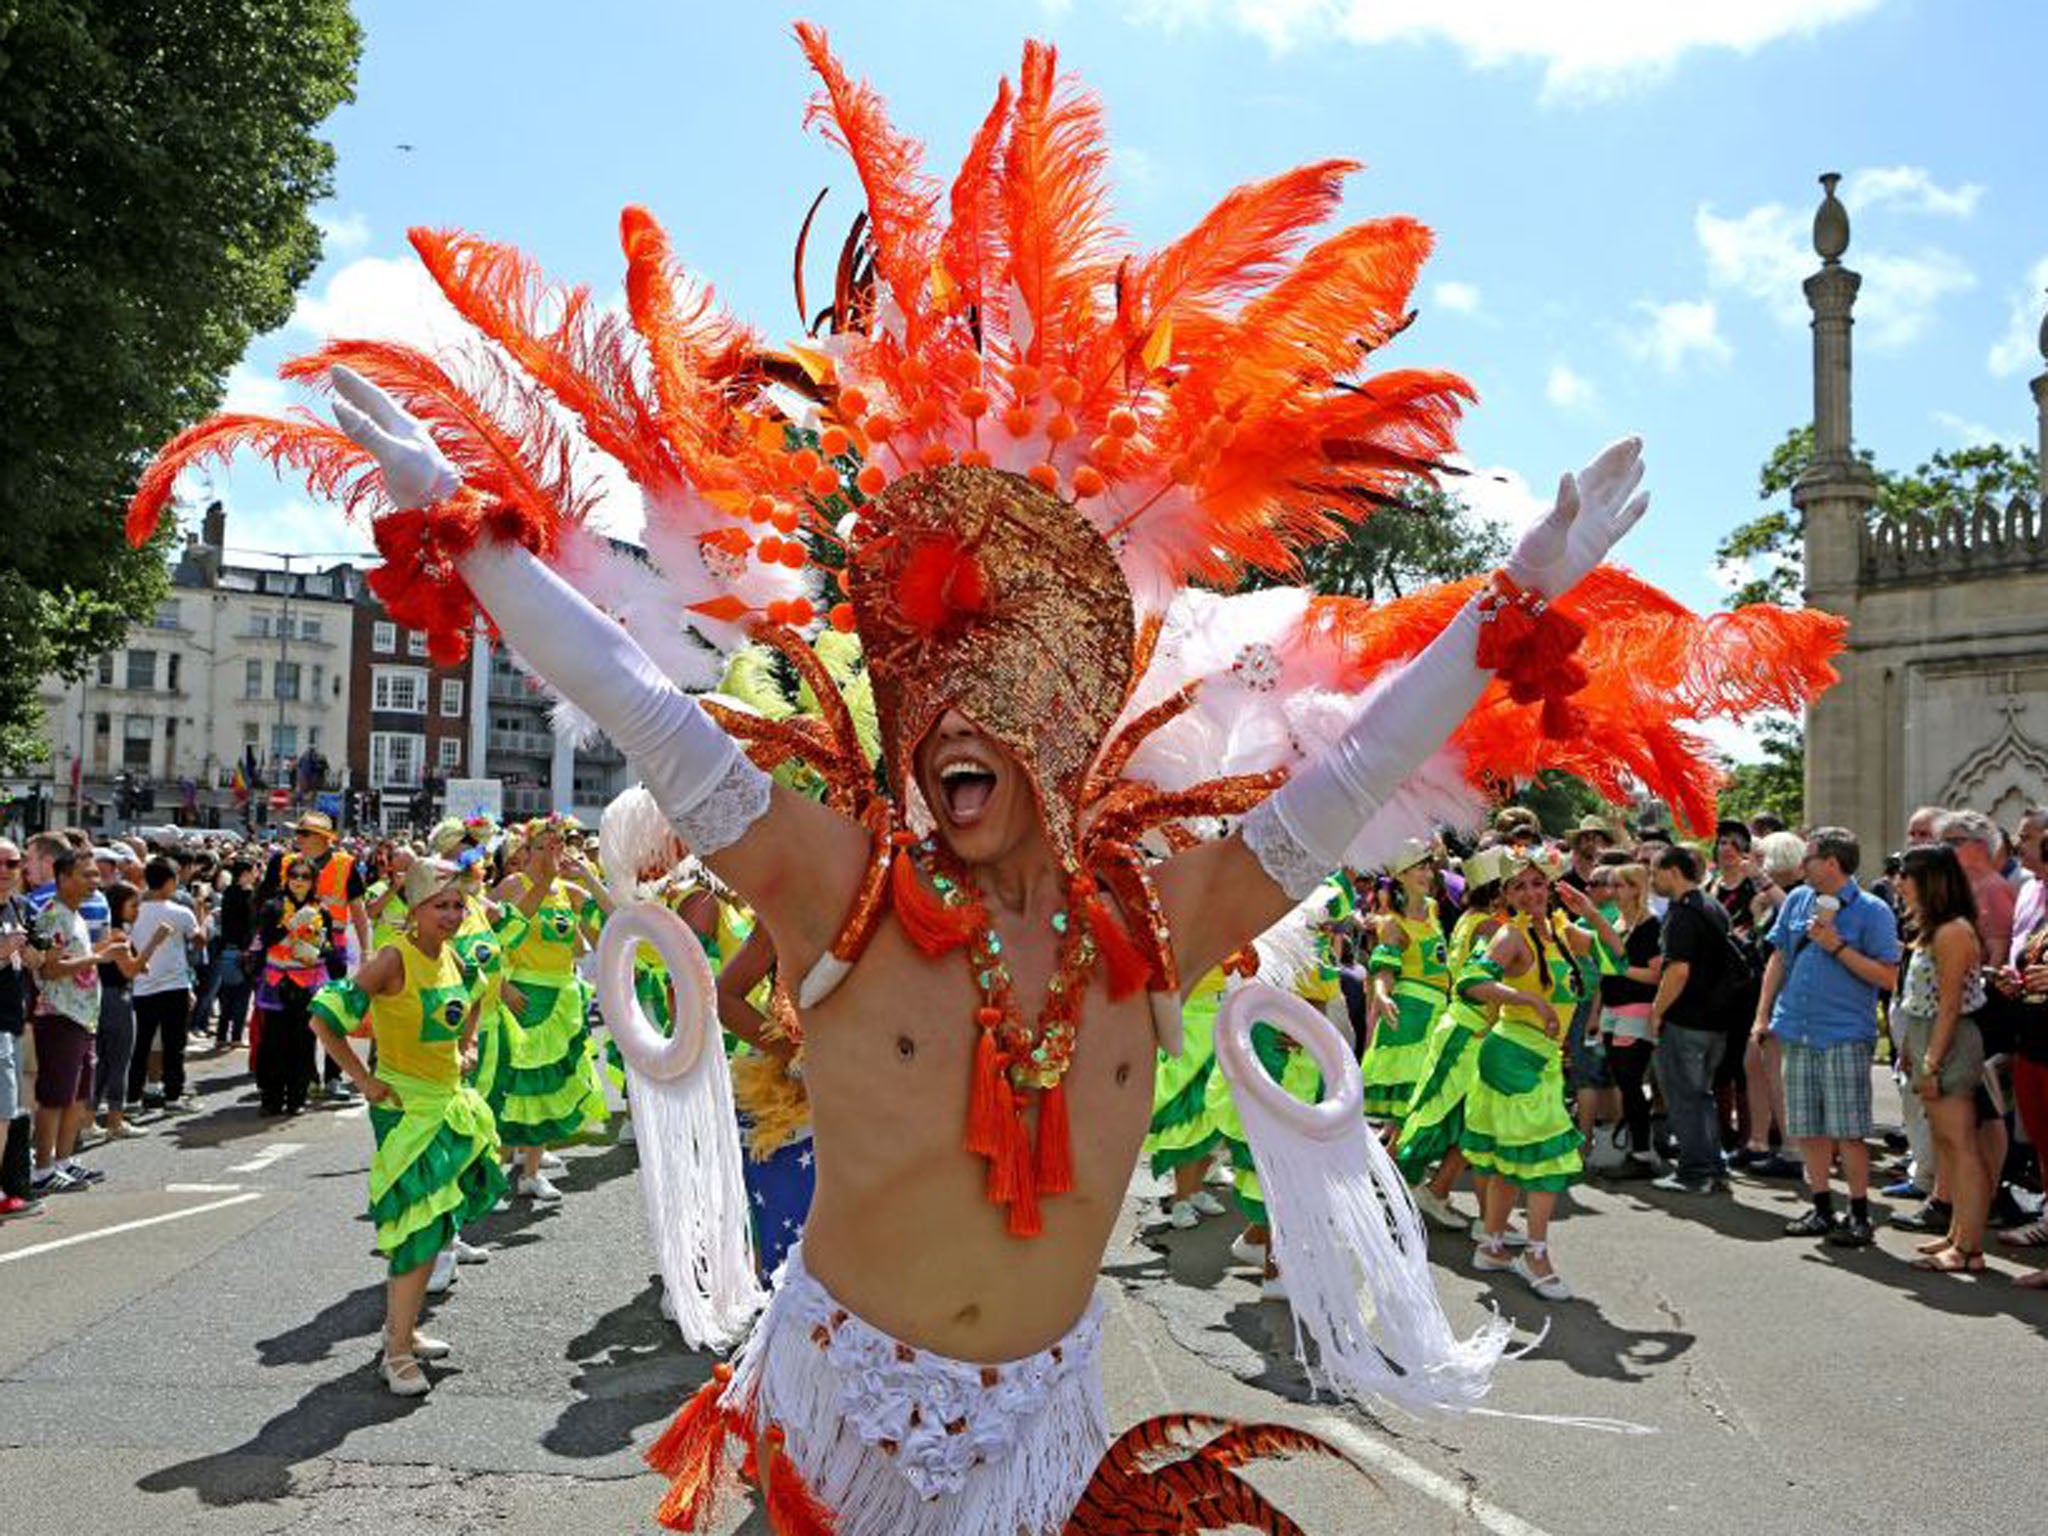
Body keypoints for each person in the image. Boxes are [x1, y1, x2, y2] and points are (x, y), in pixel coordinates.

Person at [125, 31, 1852, 1529]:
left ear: (1064, 735)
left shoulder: (1152, 918)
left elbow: (1334, 796)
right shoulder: (829, 882)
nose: (962, 743)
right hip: (829, 1423)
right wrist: (476, 534)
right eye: (937, 708)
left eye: (1001, 720)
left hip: (1038, 1436)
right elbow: (649, 711)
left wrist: (1500, 619)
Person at [309, 857, 507, 1396]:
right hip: (404, 1110)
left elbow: (475, 1002)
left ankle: (404, 1329)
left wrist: (465, 1047)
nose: (450, 914)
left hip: (447, 1103)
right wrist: (362, 1081)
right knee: (417, 1230)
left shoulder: (454, 961)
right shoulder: (394, 959)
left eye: (457, 906)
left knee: (438, 1225)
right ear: (414, 910)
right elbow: (326, 1016)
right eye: (439, 905)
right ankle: (395, 1354)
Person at [1458, 850, 1620, 1299]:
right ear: (1506, 895)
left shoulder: (1563, 932)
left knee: (1514, 1157)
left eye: (1538, 883)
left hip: (1541, 1058)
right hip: (1513, 1055)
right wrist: (1530, 1000)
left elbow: (1619, 957)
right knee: (1543, 1162)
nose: (1531, 893)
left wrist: (1589, 912)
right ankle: (1535, 1254)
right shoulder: (1511, 935)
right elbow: (1470, 982)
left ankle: (1491, 1246)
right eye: (1520, 886)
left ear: (1550, 887)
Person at [1755, 827, 1901, 1245]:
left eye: (1809, 858)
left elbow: (1888, 976)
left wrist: (1837, 947)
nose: (1802, 866)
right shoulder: (1799, 899)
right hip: (1796, 1027)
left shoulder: (1873, 911)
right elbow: (1779, 959)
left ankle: (1859, 1214)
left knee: (1848, 1131)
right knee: (1808, 1128)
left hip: (1843, 1034)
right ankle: (1821, 1207)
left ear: (1832, 863)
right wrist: (1763, 1015)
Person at [1892, 844, 1990, 1272]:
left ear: (1930, 881)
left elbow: (1949, 1005)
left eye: (1906, 875)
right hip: (1927, 1036)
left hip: (1948, 1042)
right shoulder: (1932, 928)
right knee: (1947, 1145)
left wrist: (1931, 1061)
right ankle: (1956, 1233)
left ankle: (1969, 1248)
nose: (1899, 883)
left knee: (1962, 1145)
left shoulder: (1952, 931)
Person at [1646, 845, 1734, 1195]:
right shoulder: (1711, 905)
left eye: (1655, 872)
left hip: (1687, 1021)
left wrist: (1656, 1011)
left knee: (1685, 1098)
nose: (1652, 879)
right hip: (1715, 1020)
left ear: (1673, 871)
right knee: (1701, 1097)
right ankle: (1713, 1167)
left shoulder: (1682, 913)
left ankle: (1695, 1172)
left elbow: (1678, 970)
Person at [30, 849, 110, 1195]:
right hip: (58, 1016)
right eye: (86, 874)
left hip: (81, 1017)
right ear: (63, 878)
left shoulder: (73, 914)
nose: (94, 880)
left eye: (95, 874)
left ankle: (63, 1162)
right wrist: (97, 957)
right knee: (55, 1096)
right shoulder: (51, 916)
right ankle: (43, 1168)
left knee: (77, 1095)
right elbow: (48, 968)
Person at [1360, 839, 1450, 1125]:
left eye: (1428, 867)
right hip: (1409, 1015)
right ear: (1400, 875)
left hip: (1437, 1012)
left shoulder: (1433, 907)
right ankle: (1392, 1161)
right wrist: (1382, 996)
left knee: (1416, 1107)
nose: (1427, 874)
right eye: (1418, 869)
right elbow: (1384, 970)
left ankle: (1393, 1160)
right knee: (1410, 1102)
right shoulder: (1392, 923)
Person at [254, 857, 342, 1116]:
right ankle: (271, 1099)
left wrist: (318, 949)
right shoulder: (273, 906)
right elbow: (266, 938)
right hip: (278, 983)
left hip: (308, 983)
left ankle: (296, 1097)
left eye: (305, 877)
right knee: (273, 1042)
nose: (299, 881)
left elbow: (328, 948)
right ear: (287, 878)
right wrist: (292, 926)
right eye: (295, 875)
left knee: (303, 1041)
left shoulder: (321, 912)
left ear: (314, 881)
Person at [1597, 862, 1663, 1178]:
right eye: (1611, 886)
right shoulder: (1619, 921)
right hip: (1611, 1009)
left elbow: (1656, 974)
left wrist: (1621, 969)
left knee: (1630, 1081)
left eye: (1619, 886)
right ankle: (1636, 1148)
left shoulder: (1651, 925)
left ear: (1636, 888)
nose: (1612, 892)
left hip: (1636, 1009)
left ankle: (1641, 1151)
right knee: (1622, 1080)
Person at [128, 858, 204, 1115]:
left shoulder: (134, 909)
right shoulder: (181, 911)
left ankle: (132, 1100)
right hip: (174, 985)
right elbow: (199, 940)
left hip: (141, 985)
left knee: (141, 1045)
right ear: (170, 881)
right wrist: (201, 911)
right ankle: (173, 1097)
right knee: (174, 1045)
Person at [0, 839, 45, 1218]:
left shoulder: (18, 906)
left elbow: (39, 957)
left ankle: (10, 1186)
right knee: (2, 1110)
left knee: (11, 1109)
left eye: (12, 863)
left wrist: (36, 956)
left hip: (12, 1020)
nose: (4, 870)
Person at [93, 881, 150, 1140]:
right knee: (118, 1061)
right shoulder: (118, 935)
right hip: (118, 998)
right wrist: (156, 940)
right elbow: (133, 969)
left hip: (98, 998)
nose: (137, 910)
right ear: (118, 906)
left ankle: (88, 1119)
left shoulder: (104, 932)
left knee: (101, 1062)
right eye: (133, 905)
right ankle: (115, 1120)